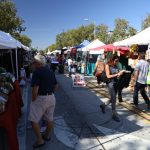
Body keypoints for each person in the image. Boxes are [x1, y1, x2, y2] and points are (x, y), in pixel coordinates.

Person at [28, 54, 58, 148]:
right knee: (50, 119)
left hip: (41, 98)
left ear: (37, 63)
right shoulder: (50, 71)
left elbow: (35, 89)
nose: (32, 64)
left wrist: (33, 99)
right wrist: (50, 93)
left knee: (33, 120)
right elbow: (56, 86)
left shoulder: (37, 72)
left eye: (33, 62)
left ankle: (40, 140)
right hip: (51, 97)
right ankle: (46, 136)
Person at [100, 55, 125, 122]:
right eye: (116, 60)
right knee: (114, 100)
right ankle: (114, 115)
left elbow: (117, 73)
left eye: (117, 61)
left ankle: (103, 105)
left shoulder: (115, 66)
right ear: (112, 59)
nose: (117, 62)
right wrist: (117, 74)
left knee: (112, 99)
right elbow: (108, 76)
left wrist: (121, 72)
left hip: (116, 83)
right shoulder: (107, 65)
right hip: (110, 84)